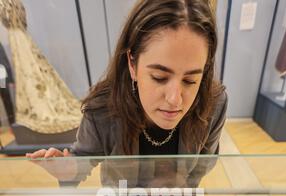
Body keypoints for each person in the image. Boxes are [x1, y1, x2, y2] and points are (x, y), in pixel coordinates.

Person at [26, 0, 227, 160]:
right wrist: (66, 167)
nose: (175, 99)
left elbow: (204, 164)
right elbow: (82, 160)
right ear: (132, 64)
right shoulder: (102, 109)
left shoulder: (214, 104)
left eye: (190, 80)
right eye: (159, 77)